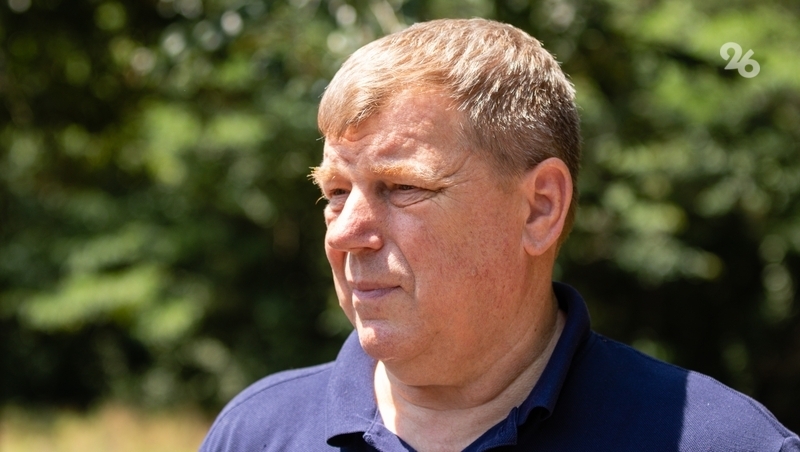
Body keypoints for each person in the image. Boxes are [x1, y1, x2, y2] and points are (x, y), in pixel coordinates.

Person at [200, 18, 799, 451]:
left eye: (402, 187)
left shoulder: (722, 442)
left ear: (540, 208)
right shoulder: (256, 433)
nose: (347, 234)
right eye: (335, 192)